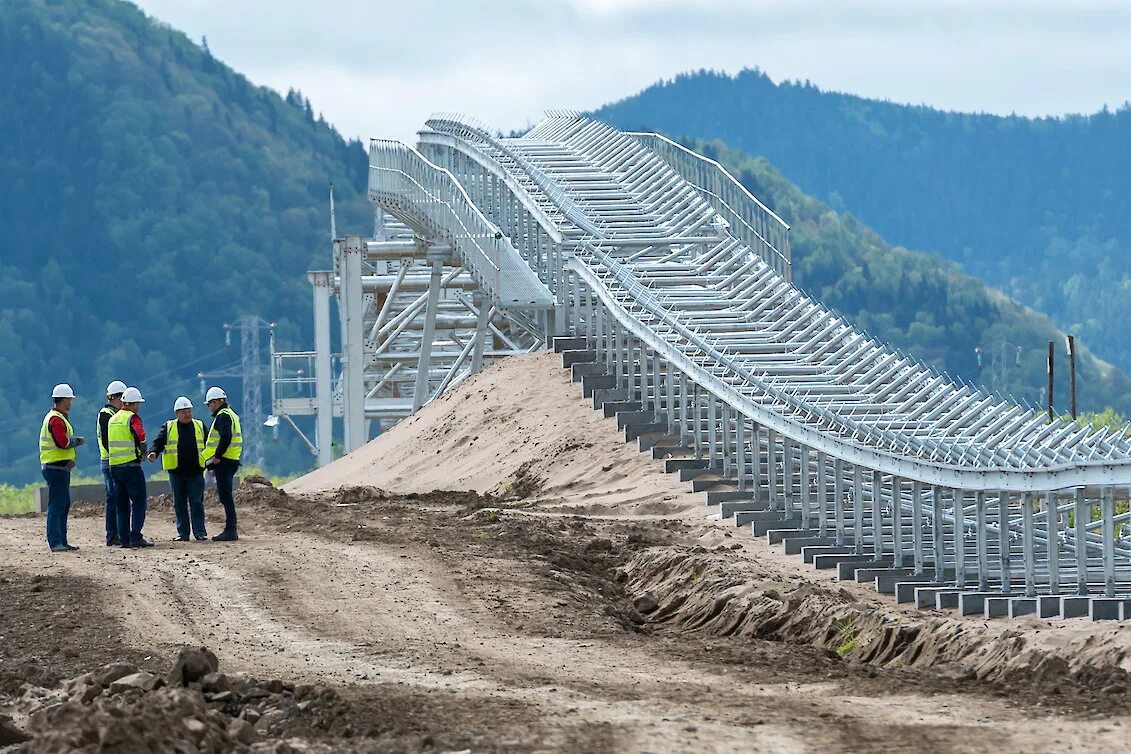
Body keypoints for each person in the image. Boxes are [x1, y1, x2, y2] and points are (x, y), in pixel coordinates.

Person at [148, 397, 208, 542]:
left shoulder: (200, 426)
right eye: (184, 412)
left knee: (196, 503)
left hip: (196, 472)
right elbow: (158, 442)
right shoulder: (169, 427)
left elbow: (209, 443)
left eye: (189, 411)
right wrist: (154, 452)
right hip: (177, 473)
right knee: (179, 504)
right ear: (177, 413)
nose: (187, 414)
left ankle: (200, 532)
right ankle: (183, 533)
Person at [107, 386, 153, 549]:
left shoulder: (113, 419)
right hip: (131, 467)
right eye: (138, 404)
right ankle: (136, 536)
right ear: (134, 404)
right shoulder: (132, 418)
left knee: (122, 506)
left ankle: (124, 539)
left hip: (115, 467)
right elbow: (140, 435)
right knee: (139, 502)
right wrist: (143, 451)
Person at [40, 383, 84, 552]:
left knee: (62, 504)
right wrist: (76, 442)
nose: (71, 402)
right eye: (69, 399)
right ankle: (56, 541)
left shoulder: (55, 417)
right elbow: (63, 443)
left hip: (58, 467)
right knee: (57, 504)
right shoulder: (56, 419)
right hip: (56, 467)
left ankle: (61, 541)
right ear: (64, 400)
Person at [202, 386, 241, 542]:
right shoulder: (231, 414)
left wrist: (217, 456)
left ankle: (231, 530)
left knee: (226, 497)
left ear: (216, 402)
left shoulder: (223, 416)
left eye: (210, 404)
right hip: (231, 459)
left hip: (224, 461)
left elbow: (225, 437)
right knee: (226, 496)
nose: (209, 407)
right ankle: (230, 529)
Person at [97, 380, 127, 546]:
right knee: (114, 498)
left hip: (114, 460)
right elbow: (108, 440)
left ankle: (117, 533)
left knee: (116, 498)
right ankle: (113, 534)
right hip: (111, 461)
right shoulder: (106, 415)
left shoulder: (113, 413)